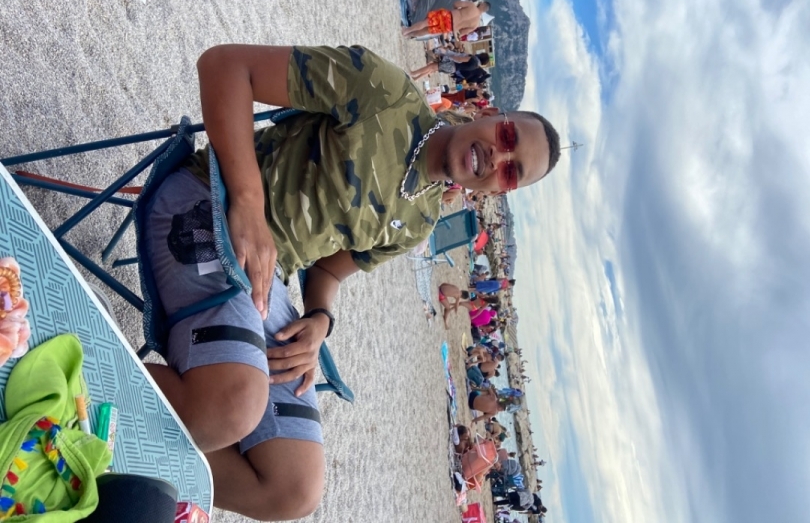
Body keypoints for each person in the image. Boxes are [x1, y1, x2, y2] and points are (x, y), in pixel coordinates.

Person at [144, 43, 561, 519]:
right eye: (507, 135)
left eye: (511, 172)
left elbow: (326, 271)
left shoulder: (420, 219)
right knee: (233, 405)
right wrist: (248, 202)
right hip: (206, 205)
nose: (497, 155)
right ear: (489, 114)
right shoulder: (384, 91)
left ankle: (133, 444)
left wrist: (320, 320)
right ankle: (88, 391)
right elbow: (224, 66)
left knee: (294, 489)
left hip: (263, 278)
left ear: (499, 190)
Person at [402, 0, 491, 39]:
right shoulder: (476, 24)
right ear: (484, 11)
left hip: (448, 16)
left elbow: (456, 3)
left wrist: (457, 10)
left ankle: (407, 30)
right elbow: (462, 33)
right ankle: (410, 35)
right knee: (427, 31)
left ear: (482, 4)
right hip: (449, 28)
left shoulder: (472, 6)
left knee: (426, 23)